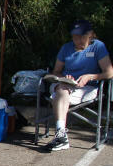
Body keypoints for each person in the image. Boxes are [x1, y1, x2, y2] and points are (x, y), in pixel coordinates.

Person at [45, 19, 113, 151]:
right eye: (75, 37)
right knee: (62, 89)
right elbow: (56, 71)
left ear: (90, 34)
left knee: (60, 92)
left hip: (87, 88)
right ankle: (61, 135)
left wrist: (90, 76)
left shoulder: (98, 47)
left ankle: (61, 135)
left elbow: (109, 72)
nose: (78, 40)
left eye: (82, 36)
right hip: (64, 85)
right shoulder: (66, 48)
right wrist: (64, 77)